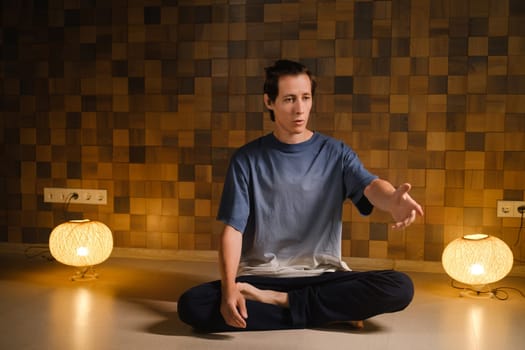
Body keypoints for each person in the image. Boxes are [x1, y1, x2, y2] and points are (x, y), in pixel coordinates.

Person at [177, 59, 424, 332]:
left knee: (400, 287)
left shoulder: (336, 153)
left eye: (306, 98)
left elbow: (371, 186)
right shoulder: (246, 159)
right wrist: (228, 290)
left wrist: (392, 201)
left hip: (323, 276)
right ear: (269, 102)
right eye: (289, 99)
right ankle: (327, 312)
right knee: (192, 305)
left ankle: (280, 303)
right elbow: (232, 231)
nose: (300, 108)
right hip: (262, 277)